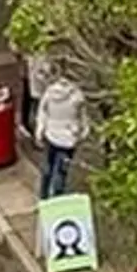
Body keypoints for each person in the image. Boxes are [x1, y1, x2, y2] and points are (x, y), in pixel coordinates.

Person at [34, 62, 89, 201]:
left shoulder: (50, 93)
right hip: (69, 138)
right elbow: (82, 118)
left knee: (48, 168)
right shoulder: (77, 96)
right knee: (62, 172)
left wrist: (40, 130)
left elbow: (43, 112)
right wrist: (82, 134)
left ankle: (44, 196)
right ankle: (57, 199)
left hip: (51, 134)